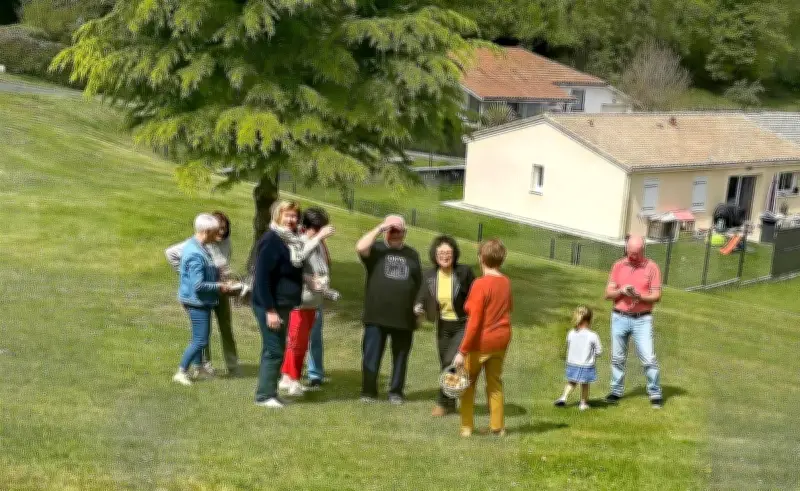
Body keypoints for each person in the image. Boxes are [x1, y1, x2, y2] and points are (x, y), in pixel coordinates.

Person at [356, 215, 422, 405]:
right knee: (371, 355)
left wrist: (419, 310)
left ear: (405, 232)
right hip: (376, 315)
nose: (394, 235)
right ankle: (368, 391)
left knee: (401, 357)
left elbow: (418, 283)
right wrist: (380, 228)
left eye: (398, 231)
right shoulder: (376, 249)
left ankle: (396, 391)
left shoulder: (412, 254)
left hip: (404, 317)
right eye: (391, 231)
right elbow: (360, 247)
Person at [165, 211, 240, 376]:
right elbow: (197, 283)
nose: (220, 233)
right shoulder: (195, 250)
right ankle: (188, 370)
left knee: (212, 332)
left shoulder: (211, 245)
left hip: (214, 291)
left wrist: (227, 280)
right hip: (201, 296)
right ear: (207, 231)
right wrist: (187, 274)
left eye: (223, 229)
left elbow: (217, 267)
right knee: (201, 337)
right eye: (217, 230)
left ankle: (211, 367)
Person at [453, 239, 513, 438]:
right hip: (501, 340)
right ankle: (498, 427)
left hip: (481, 343)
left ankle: (467, 427)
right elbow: (509, 308)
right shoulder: (505, 282)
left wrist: (462, 351)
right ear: (501, 259)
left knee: (467, 384)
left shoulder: (480, 284)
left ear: (481, 258)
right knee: (495, 383)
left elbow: (475, 321)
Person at [279, 207, 339, 395]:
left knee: (302, 344)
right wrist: (317, 238)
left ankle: (288, 377)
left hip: (312, 302)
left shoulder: (319, 243)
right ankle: (293, 380)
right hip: (299, 303)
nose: (320, 230)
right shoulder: (301, 241)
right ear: (305, 227)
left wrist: (326, 288)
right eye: (316, 227)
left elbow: (321, 269)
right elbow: (297, 260)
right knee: (296, 344)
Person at [414, 235, 475, 417]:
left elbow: (475, 294)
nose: (445, 256)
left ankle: (442, 402)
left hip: (462, 323)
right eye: (441, 253)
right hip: (443, 325)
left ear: (454, 254)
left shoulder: (464, 273)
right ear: (435, 254)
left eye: (448, 253)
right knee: (445, 363)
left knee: (450, 362)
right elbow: (422, 296)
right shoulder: (429, 275)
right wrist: (418, 306)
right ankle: (451, 401)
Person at [251, 200, 305, 409]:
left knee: (276, 348)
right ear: (278, 215)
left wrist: (309, 281)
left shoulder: (289, 240)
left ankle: (270, 392)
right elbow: (262, 279)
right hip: (270, 305)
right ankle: (264, 396)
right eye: (288, 215)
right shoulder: (271, 240)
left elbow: (289, 271)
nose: (292, 219)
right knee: (274, 349)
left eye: (294, 216)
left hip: (282, 304)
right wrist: (270, 310)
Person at [604, 235, 663, 409]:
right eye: (629, 252)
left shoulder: (652, 268)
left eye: (635, 254)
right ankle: (616, 390)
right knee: (617, 358)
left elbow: (656, 296)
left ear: (643, 251)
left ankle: (655, 392)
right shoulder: (618, 265)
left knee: (648, 357)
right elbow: (608, 293)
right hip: (619, 316)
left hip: (642, 319)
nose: (632, 257)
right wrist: (621, 291)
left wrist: (639, 296)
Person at [554, 306, 602, 411]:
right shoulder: (593, 335)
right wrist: (593, 355)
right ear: (589, 320)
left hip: (572, 363)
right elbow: (599, 351)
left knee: (571, 382)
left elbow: (568, 346)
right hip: (586, 365)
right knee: (585, 384)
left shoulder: (571, 333)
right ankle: (583, 404)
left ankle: (563, 397)